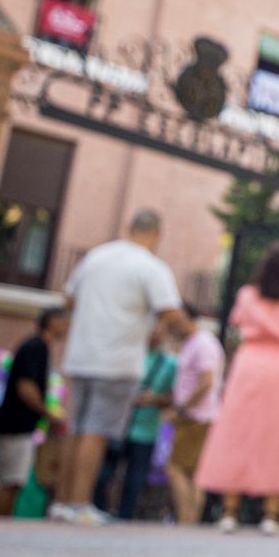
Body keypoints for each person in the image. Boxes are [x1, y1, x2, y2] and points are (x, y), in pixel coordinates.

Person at [52, 210, 188, 525]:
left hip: (81, 355)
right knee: (97, 430)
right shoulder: (151, 267)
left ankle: (61, 502)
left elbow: (69, 299)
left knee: (76, 428)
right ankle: (80, 504)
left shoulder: (97, 257)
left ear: (129, 227)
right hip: (117, 359)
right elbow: (170, 313)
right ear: (157, 235)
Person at [196, 243, 279, 535]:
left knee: (239, 433)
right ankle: (272, 514)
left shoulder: (247, 297)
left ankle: (230, 512)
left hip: (249, 365)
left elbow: (235, 337)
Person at [0, 308, 68, 516]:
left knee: (12, 482)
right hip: (16, 425)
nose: (68, 327)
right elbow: (26, 386)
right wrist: (48, 414)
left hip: (18, 425)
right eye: (65, 321)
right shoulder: (36, 347)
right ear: (52, 322)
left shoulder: (38, 347)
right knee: (11, 482)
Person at [95, 333, 177, 521]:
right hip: (117, 426)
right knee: (104, 474)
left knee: (135, 479)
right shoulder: (127, 357)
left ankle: (125, 517)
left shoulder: (170, 363)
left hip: (146, 430)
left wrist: (155, 399)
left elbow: (173, 398)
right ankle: (100, 510)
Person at [166, 304, 224, 526]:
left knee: (176, 468)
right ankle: (188, 520)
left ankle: (186, 520)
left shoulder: (203, 344)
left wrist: (183, 408)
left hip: (198, 416)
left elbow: (207, 382)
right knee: (192, 471)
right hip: (197, 414)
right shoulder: (194, 343)